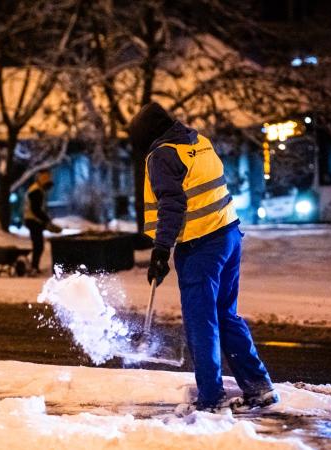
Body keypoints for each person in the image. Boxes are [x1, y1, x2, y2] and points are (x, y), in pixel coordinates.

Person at [128, 102, 278, 413]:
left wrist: (160, 250)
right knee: (225, 315)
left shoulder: (162, 155)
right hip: (229, 235)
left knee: (202, 322)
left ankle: (211, 399)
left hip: (200, 246)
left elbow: (172, 205)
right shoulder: (197, 142)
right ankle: (258, 387)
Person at [23, 169, 62, 275]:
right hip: (33, 221)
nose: (48, 189)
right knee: (38, 245)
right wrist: (47, 221)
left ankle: (34, 267)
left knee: (38, 245)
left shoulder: (36, 189)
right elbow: (36, 210)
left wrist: (46, 223)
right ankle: (34, 267)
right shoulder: (36, 191)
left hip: (32, 220)